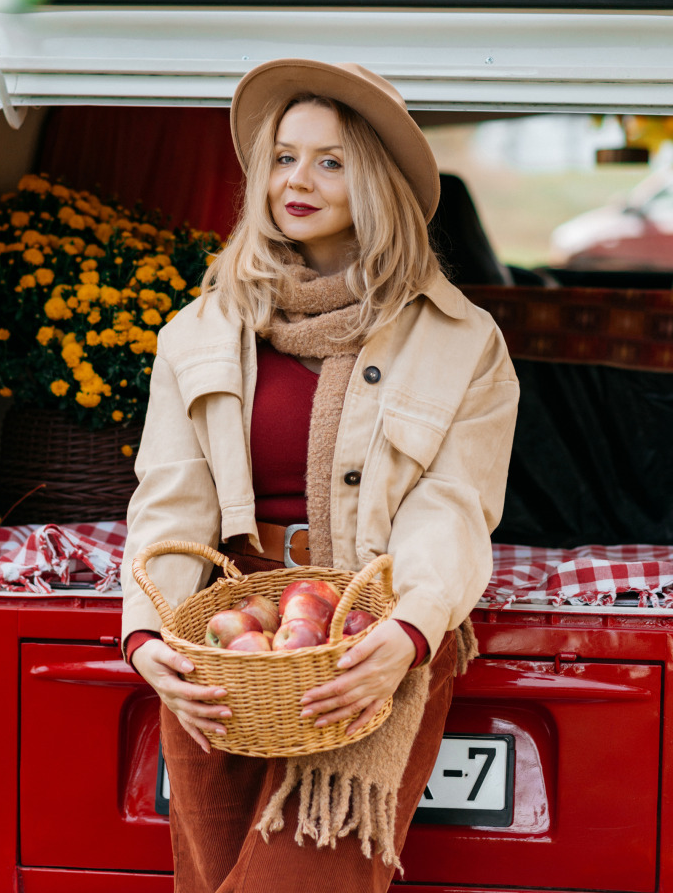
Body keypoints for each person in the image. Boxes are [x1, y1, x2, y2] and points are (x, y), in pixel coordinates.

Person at [120, 59, 519, 893]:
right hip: (222, 642)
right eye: (283, 156)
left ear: (373, 180)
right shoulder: (198, 332)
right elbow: (169, 501)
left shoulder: (460, 340)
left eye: (330, 161)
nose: (296, 180)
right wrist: (147, 636)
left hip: (369, 629)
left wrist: (410, 633)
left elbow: (451, 506)